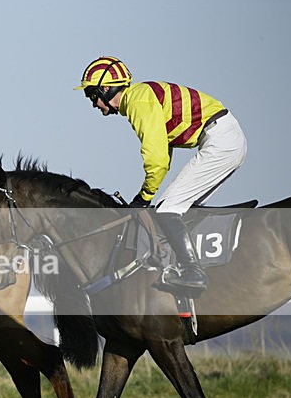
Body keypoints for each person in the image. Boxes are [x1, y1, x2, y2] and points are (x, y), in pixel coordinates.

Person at [74, 56, 247, 295]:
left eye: (92, 96)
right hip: (225, 138)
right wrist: (146, 194)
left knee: (166, 209)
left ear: (106, 89)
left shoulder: (137, 101)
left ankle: (193, 272)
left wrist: (144, 197)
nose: (94, 104)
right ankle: (191, 264)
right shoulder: (141, 97)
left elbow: (156, 158)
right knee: (180, 208)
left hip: (220, 141)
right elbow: (163, 152)